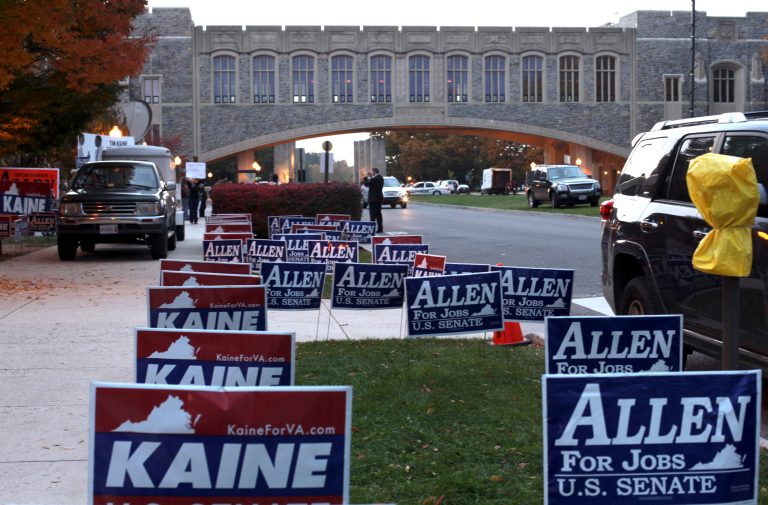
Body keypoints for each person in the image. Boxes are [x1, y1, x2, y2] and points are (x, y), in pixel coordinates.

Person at [363, 167, 384, 233]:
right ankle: (380, 228)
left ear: (374, 172)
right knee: (378, 214)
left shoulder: (375, 179)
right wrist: (371, 177)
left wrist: (365, 177)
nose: (371, 173)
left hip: (373, 199)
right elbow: (373, 184)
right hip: (379, 198)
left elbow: (366, 184)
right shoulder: (381, 178)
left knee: (372, 214)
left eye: (372, 172)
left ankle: (372, 228)